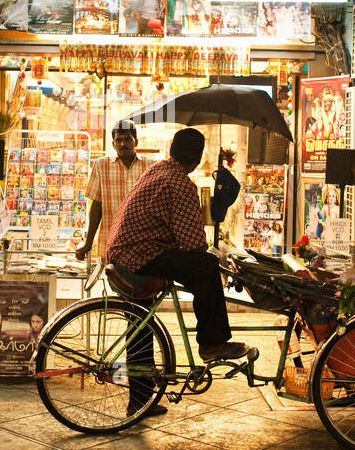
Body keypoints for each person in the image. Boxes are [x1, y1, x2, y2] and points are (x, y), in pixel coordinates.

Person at [108, 128, 245, 366]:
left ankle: (140, 400)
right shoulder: (180, 183)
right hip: (139, 254)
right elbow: (193, 244)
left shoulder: (159, 169)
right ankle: (212, 343)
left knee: (140, 322)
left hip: (124, 251)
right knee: (207, 267)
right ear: (198, 157)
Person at [76, 120, 153, 264]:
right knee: (115, 282)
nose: (123, 144)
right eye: (118, 140)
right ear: (113, 144)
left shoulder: (151, 166)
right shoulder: (101, 166)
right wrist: (88, 243)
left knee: (141, 285)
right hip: (111, 241)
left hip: (143, 244)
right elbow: (96, 206)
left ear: (136, 142)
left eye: (127, 139)